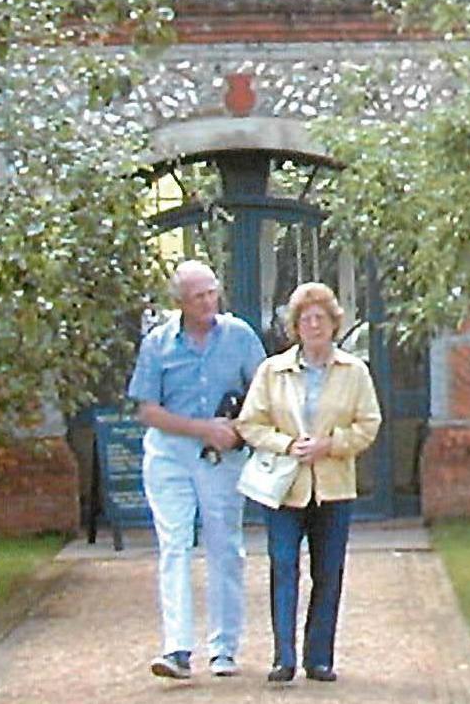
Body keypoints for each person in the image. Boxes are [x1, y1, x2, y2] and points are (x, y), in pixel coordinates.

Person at [235, 281, 382, 684]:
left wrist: (332, 445)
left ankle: (319, 658)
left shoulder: (354, 372)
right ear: (295, 326)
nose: (313, 325)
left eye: (320, 318)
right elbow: (250, 423)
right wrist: (286, 444)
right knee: (283, 566)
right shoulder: (272, 370)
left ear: (334, 324)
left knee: (328, 572)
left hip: (333, 486)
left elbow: (369, 424)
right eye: (305, 318)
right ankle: (283, 656)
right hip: (284, 487)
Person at [128, 260, 266, 680]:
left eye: (212, 292)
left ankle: (224, 648)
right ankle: (177, 648)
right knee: (173, 545)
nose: (208, 302)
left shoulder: (240, 336)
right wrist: (200, 428)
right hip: (170, 452)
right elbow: (147, 410)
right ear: (180, 302)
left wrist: (237, 430)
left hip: (222, 457)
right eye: (198, 296)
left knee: (225, 546)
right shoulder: (158, 344)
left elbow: (264, 392)